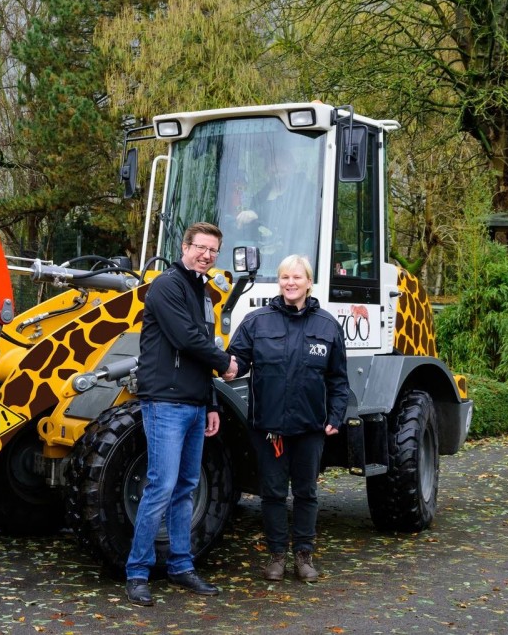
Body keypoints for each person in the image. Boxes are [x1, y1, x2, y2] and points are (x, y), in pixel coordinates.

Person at [125, 222, 239, 607]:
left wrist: (211, 404)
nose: (206, 255)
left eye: (213, 250)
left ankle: (180, 566)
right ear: (184, 246)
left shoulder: (202, 291)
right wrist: (226, 363)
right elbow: (187, 339)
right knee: (161, 486)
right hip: (165, 402)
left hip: (193, 404)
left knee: (186, 488)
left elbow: (200, 347)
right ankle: (137, 573)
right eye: (200, 247)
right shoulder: (168, 286)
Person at [227, 254, 348, 582]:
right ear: (278, 282)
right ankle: (277, 556)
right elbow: (235, 360)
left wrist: (336, 417)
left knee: (306, 492)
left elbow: (338, 379)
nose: (290, 283)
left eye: (297, 277)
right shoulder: (257, 322)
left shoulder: (326, 325)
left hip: (310, 428)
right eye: (284, 278)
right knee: (273, 493)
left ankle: (304, 556)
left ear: (309, 282)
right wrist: (222, 365)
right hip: (269, 429)